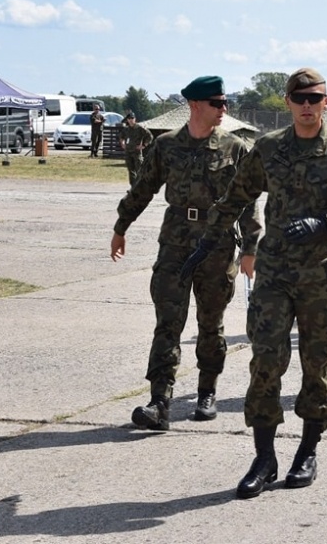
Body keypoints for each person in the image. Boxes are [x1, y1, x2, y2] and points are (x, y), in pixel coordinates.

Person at [180, 68, 327, 499]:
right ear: (288, 102)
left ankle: (308, 451)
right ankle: (264, 457)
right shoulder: (269, 148)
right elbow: (235, 197)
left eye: (315, 99)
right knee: (266, 363)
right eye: (300, 99)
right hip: (274, 273)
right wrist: (207, 242)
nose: (307, 106)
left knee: (318, 365)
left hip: (324, 275)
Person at [110, 75, 260, 430]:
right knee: (168, 322)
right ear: (195, 105)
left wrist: (251, 248)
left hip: (218, 244)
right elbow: (142, 189)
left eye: (226, 103)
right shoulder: (166, 146)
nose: (224, 109)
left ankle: (207, 391)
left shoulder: (235, 147)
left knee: (211, 322)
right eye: (217, 103)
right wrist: (121, 227)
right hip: (175, 243)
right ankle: (159, 401)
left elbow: (249, 202)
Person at [119, 111, 153, 186]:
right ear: (127, 120)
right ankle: (133, 187)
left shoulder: (140, 128)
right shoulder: (126, 129)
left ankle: (143, 186)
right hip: (128, 152)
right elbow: (121, 136)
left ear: (135, 119)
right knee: (131, 170)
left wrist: (144, 145)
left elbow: (150, 136)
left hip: (136, 152)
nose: (131, 120)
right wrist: (122, 143)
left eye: (132, 118)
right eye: (129, 119)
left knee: (140, 170)